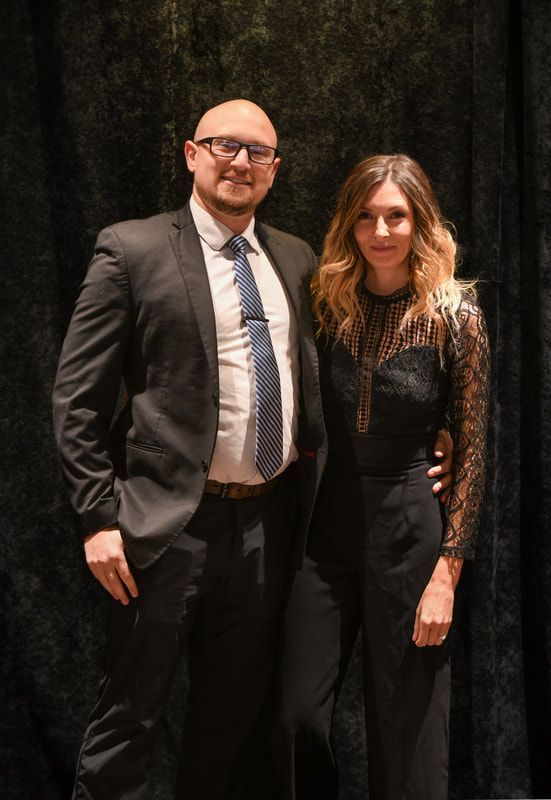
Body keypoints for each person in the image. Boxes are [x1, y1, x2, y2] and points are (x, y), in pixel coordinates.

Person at [53, 101, 452, 800]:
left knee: (230, 724)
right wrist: (96, 518)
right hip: (163, 530)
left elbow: (347, 373)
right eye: (224, 146)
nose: (240, 162)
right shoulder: (132, 249)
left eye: (258, 152)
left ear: (275, 170)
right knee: (128, 717)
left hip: (270, 531)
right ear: (190, 153)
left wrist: (428, 430)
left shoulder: (299, 260)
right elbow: (76, 399)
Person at [276, 154, 490, 800]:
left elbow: (475, 450)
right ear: (348, 224)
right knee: (296, 716)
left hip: (410, 525)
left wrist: (445, 576)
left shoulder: (456, 317)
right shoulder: (323, 304)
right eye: (366, 216)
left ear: (420, 223)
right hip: (325, 533)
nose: (381, 232)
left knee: (407, 727)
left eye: (396, 216)